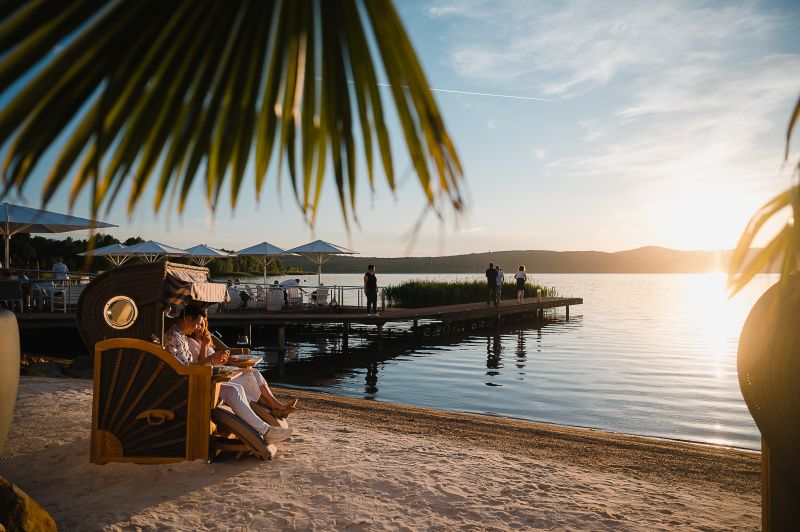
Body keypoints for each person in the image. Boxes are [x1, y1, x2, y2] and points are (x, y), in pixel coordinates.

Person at [163, 306, 292, 444]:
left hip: (196, 379)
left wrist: (213, 361)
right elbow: (185, 369)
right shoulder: (174, 337)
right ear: (188, 319)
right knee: (233, 390)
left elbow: (189, 365)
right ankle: (266, 430)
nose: (197, 328)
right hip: (190, 385)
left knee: (237, 388)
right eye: (197, 323)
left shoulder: (180, 335)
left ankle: (263, 428)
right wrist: (211, 359)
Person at [187, 312, 297, 417]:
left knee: (255, 372)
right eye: (198, 325)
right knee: (248, 379)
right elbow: (201, 363)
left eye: (202, 325)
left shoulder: (205, 339)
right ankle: (276, 407)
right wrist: (204, 346)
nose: (200, 327)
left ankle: (276, 404)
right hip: (213, 375)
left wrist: (223, 359)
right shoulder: (191, 342)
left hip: (221, 369)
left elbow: (212, 360)